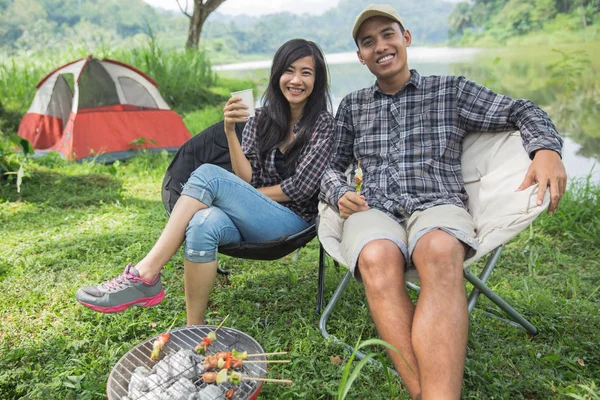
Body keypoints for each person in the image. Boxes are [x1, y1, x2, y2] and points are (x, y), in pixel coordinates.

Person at [319, 5, 567, 400]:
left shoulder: (450, 90)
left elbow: (521, 109)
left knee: (438, 248)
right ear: (360, 56)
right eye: (368, 42)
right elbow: (331, 167)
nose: (380, 46)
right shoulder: (353, 106)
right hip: (374, 209)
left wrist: (546, 150)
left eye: (388, 35)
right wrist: (338, 191)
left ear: (406, 38)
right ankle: (426, 392)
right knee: (376, 256)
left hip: (437, 202)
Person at [76, 38, 335, 326]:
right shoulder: (261, 118)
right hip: (252, 217)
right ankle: (194, 328)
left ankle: (146, 273)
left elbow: (301, 188)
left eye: (306, 72)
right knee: (202, 224)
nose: (296, 80)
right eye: (289, 70)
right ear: (277, 76)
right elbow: (245, 178)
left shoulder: (323, 125)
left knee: (209, 175)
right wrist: (230, 132)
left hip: (294, 223)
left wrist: (241, 195)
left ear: (317, 80)